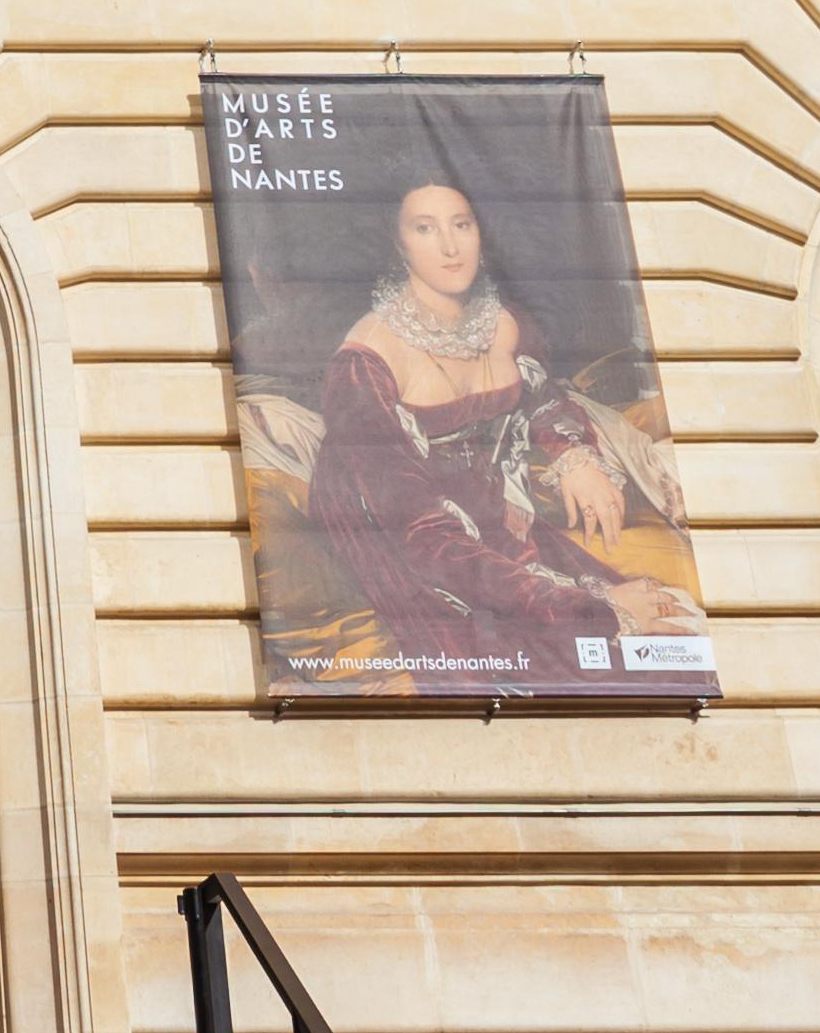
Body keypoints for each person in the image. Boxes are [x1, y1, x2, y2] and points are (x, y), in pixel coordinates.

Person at [297, 172, 707, 683]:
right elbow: (422, 537)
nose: (450, 246)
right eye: (425, 229)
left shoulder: (503, 323)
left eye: (461, 224)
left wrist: (573, 456)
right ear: (398, 245)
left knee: (679, 636)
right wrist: (589, 610)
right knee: (608, 657)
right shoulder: (365, 365)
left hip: (494, 519)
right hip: (424, 549)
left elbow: (543, 397)